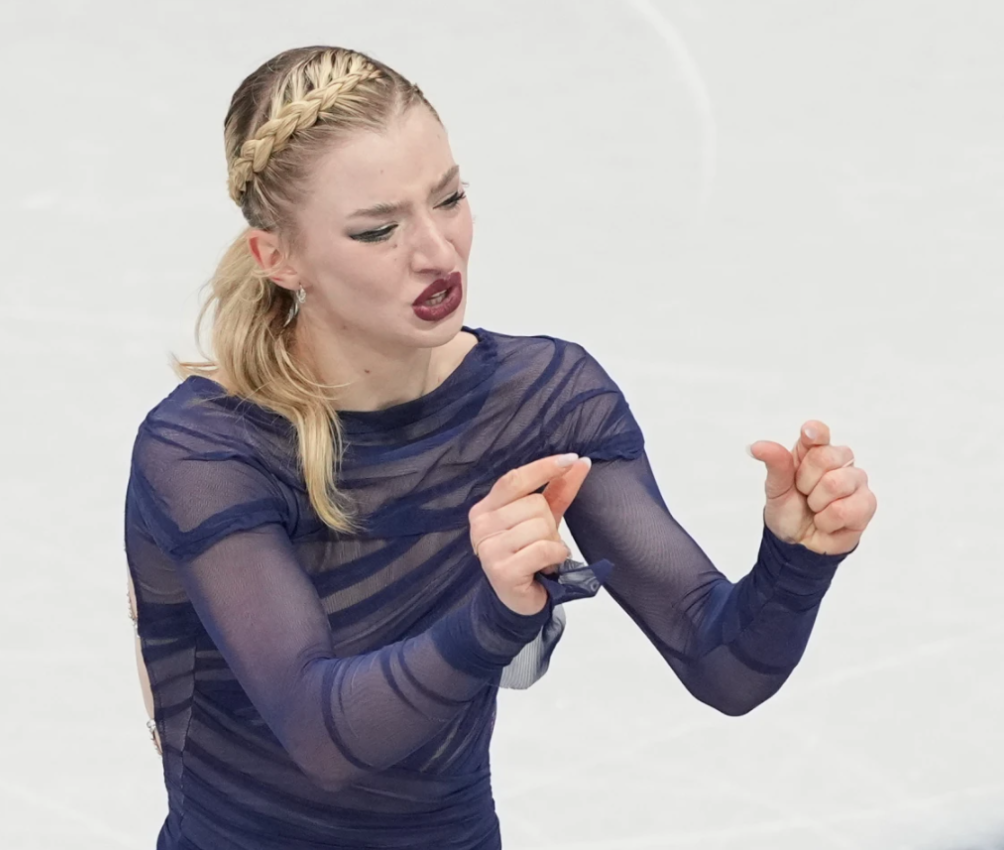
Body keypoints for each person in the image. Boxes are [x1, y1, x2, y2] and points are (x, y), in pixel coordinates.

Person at [123, 45, 877, 850]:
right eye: (378, 229)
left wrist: (796, 559)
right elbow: (321, 736)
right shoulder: (204, 451)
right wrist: (495, 613)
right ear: (277, 257)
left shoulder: (543, 399)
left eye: (448, 199)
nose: (437, 252)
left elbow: (724, 665)